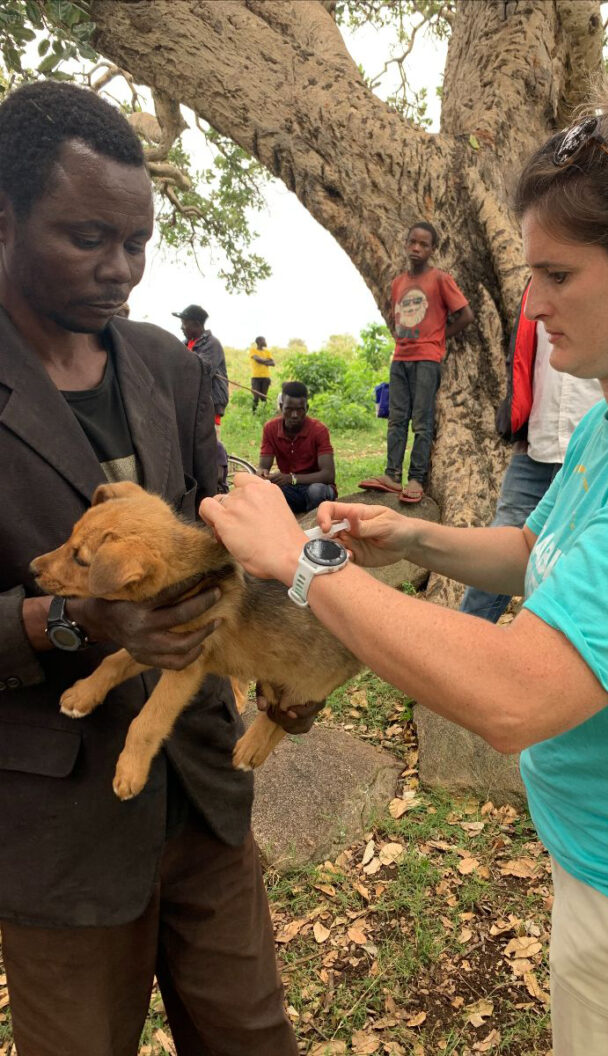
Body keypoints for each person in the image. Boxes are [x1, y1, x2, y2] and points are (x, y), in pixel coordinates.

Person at [201, 67, 608, 1056]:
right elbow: (541, 550)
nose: (536, 307)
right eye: (532, 280)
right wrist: (417, 539)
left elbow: (520, 693)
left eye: (557, 277)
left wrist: (302, 559)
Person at [0, 81, 298, 1055]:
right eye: (89, 238)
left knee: (252, 1036)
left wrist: (307, 618)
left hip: (205, 793)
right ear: (5, 217)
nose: (121, 269)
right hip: (60, 831)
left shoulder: (162, 362)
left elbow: (229, 522)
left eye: (137, 243)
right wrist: (73, 622)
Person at [461, 291, 600, 621]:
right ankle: (466, 641)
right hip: (537, 444)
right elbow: (525, 359)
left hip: (592, 445)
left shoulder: (606, 278)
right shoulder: (536, 290)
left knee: (576, 562)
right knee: (498, 549)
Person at [358, 221, 474, 503]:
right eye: (413, 242)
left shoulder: (440, 280)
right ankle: (392, 475)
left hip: (427, 360)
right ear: (406, 243)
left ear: (433, 249)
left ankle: (416, 479)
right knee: (396, 419)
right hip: (400, 359)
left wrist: (438, 338)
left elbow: (466, 315)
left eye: (423, 244)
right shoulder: (398, 283)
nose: (416, 248)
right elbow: (396, 317)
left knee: (421, 422)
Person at [258, 381, 337, 513]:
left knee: (316, 491)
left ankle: (315, 522)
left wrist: (292, 478)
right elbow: (263, 467)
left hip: (316, 487)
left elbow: (328, 475)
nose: (294, 415)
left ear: (307, 408)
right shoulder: (270, 429)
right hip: (290, 490)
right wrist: (262, 473)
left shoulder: (319, 430)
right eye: (289, 409)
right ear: (281, 407)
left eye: (299, 410)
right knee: (265, 491)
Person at [172, 303, 229, 429]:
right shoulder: (184, 345)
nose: (182, 327)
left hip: (208, 406)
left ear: (196, 324)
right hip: (191, 405)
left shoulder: (212, 344)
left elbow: (201, 370)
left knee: (209, 445)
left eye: (185, 323)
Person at [249, 334, 275, 413]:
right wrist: (267, 361)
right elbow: (257, 359)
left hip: (266, 378)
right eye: (264, 340)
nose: (265, 342)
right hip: (256, 377)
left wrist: (262, 360)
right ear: (259, 342)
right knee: (256, 397)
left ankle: (263, 413)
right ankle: (254, 413)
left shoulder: (267, 351)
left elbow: (273, 363)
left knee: (263, 398)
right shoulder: (253, 350)